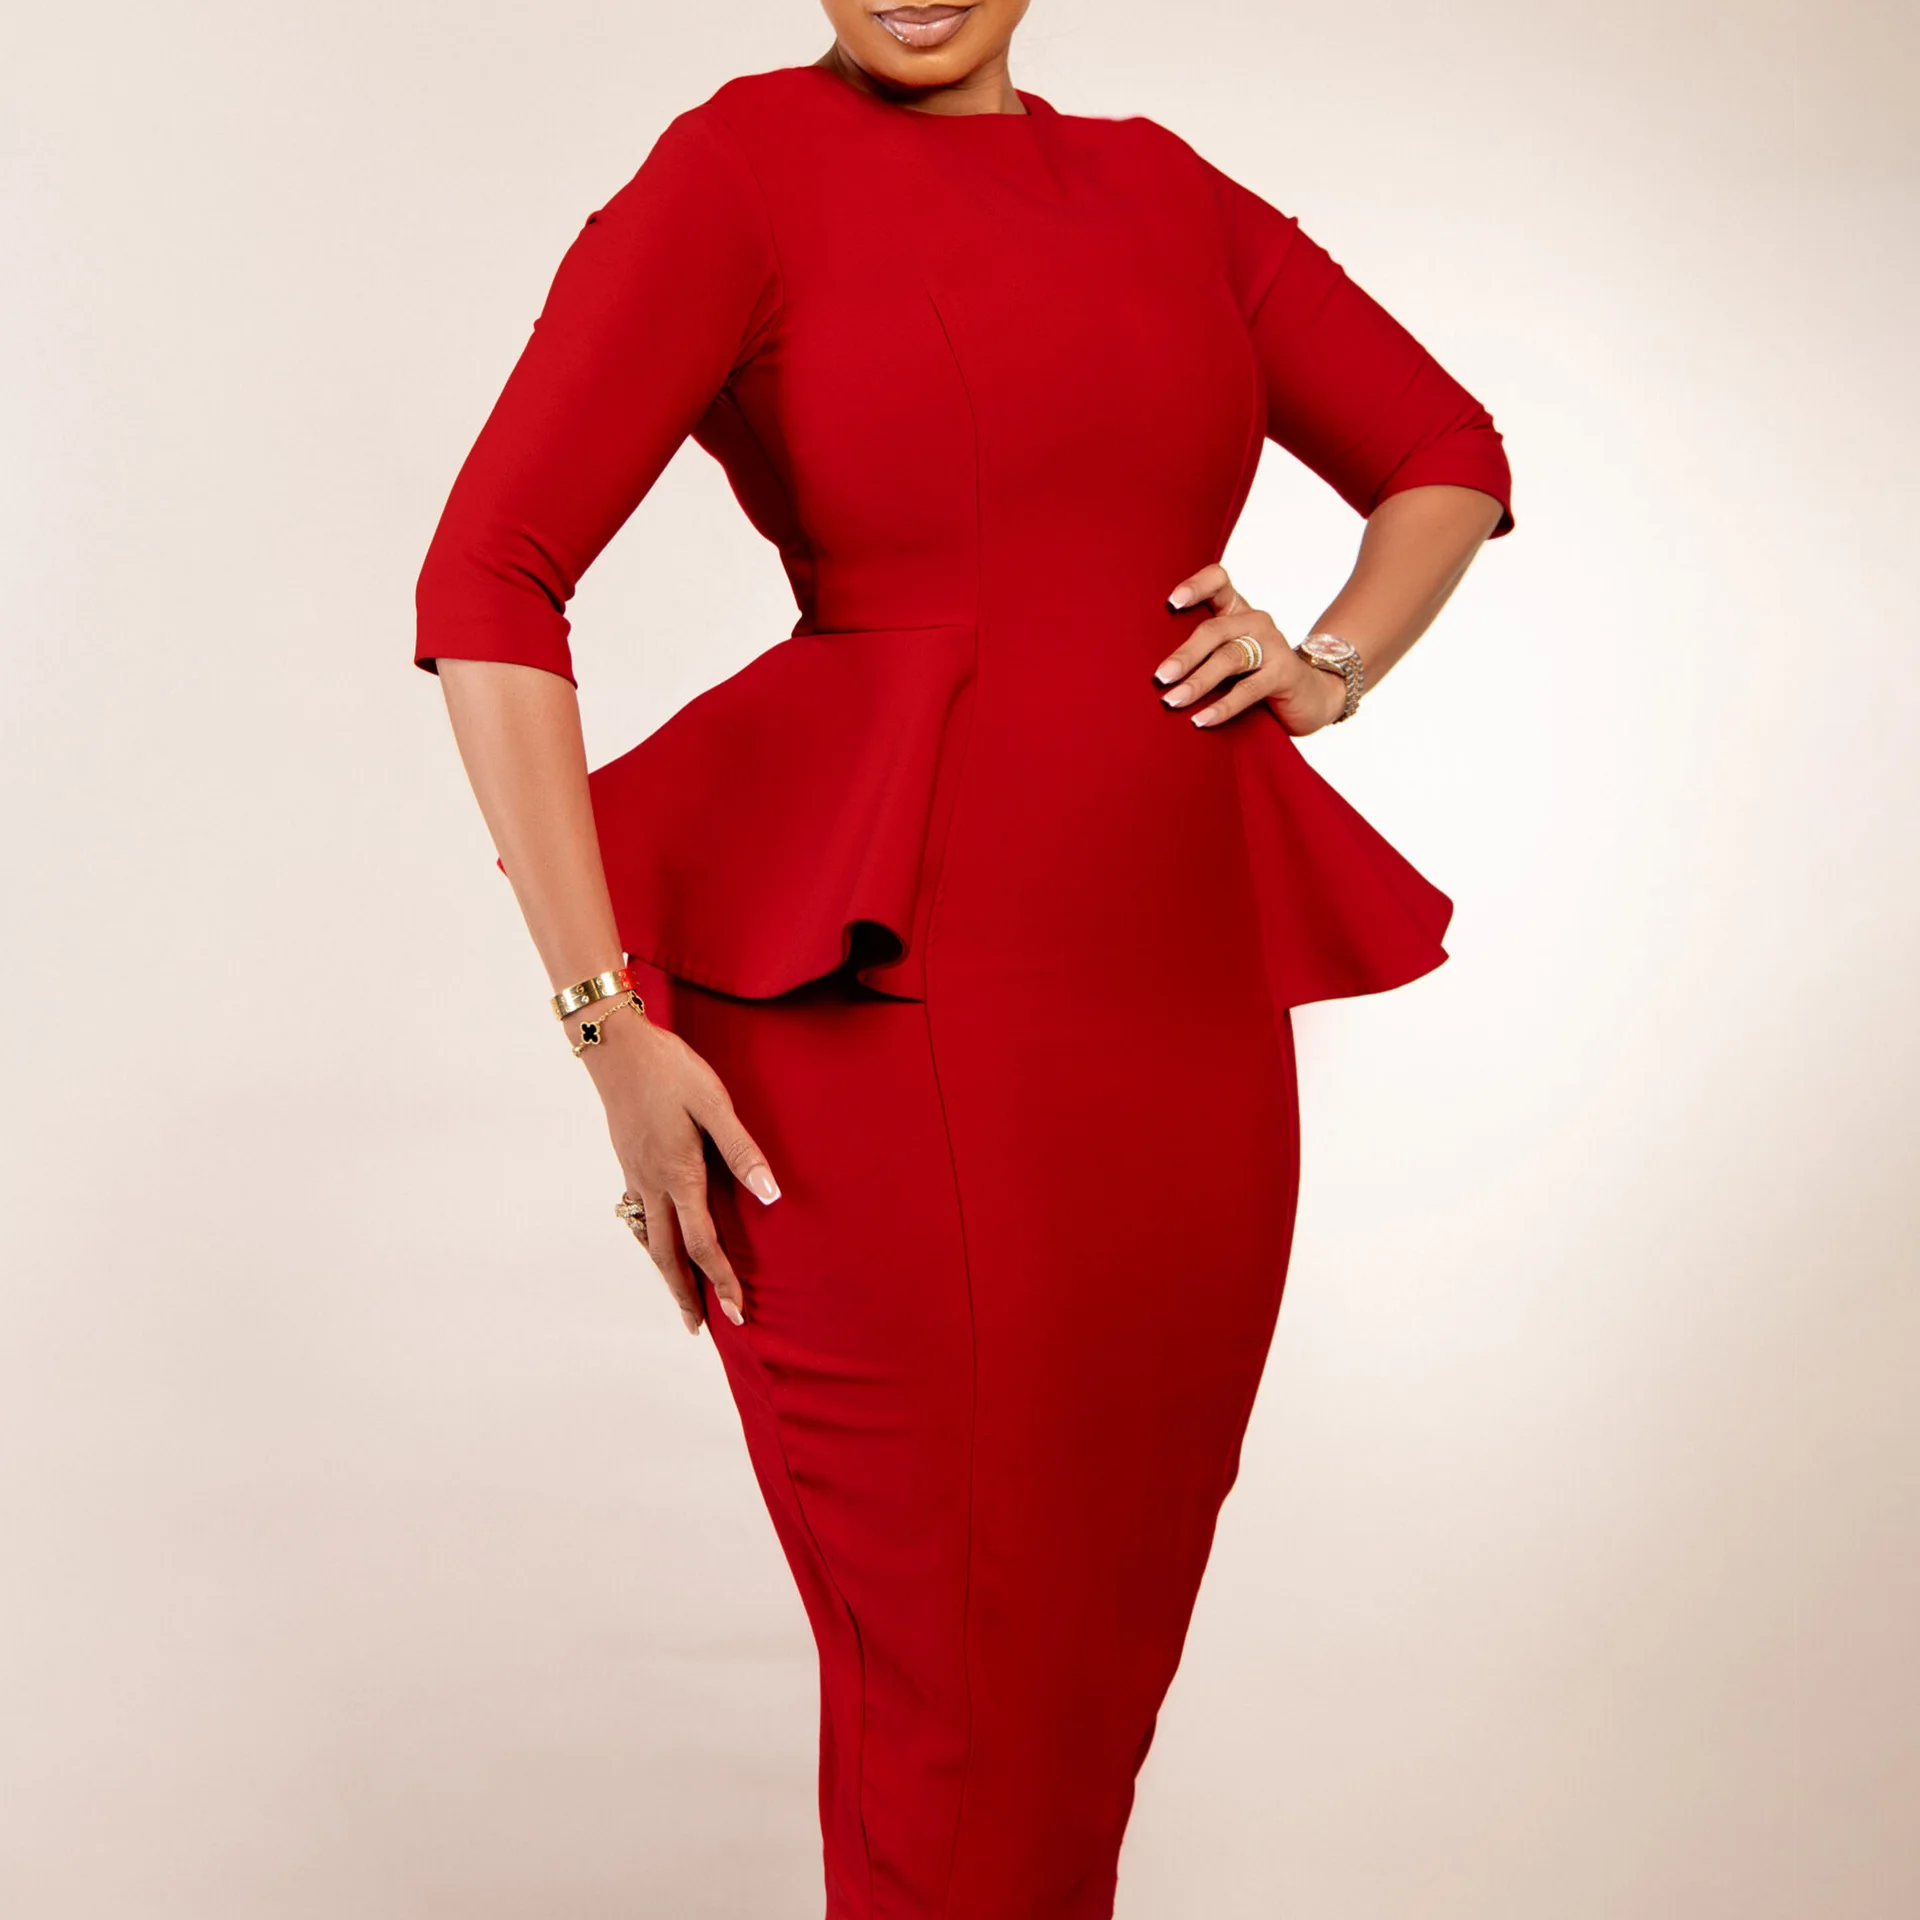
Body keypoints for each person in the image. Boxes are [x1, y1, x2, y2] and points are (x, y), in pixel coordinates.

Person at [413, 2, 1514, 1913]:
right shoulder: (742, 171)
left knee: (1076, 1703)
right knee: (967, 1700)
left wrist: (1330, 661)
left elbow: (1445, 449)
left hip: (1176, 1020)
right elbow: (489, 574)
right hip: (885, 1027)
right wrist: (606, 1027)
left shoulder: (1162, 191)